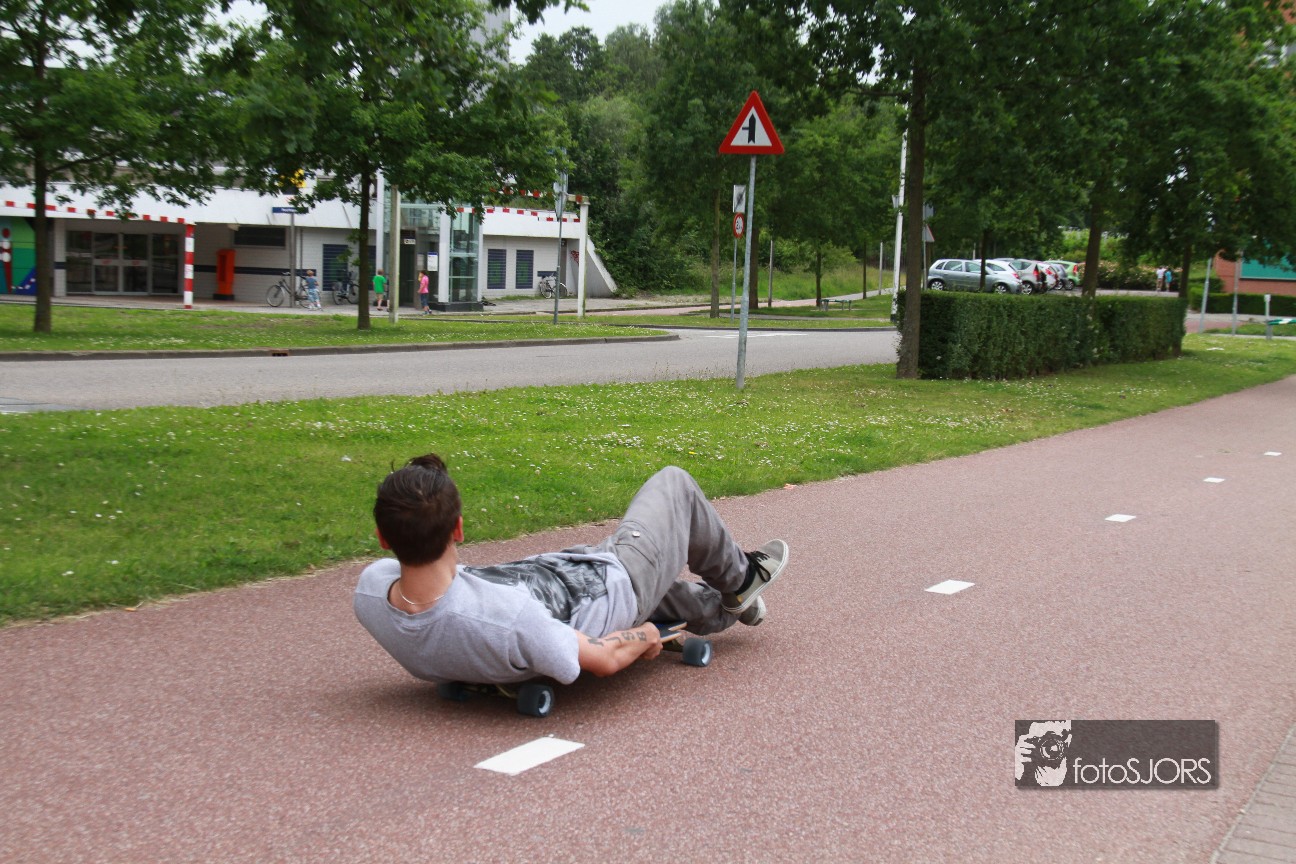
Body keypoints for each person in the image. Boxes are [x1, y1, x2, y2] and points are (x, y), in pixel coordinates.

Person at [354, 454, 788, 686]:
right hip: (617, 581)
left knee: (669, 588)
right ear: (459, 529)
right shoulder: (508, 619)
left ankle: (730, 607)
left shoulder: (372, 592)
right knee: (674, 484)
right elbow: (601, 658)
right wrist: (645, 635)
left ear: (383, 538)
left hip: (571, 574)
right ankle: (742, 580)